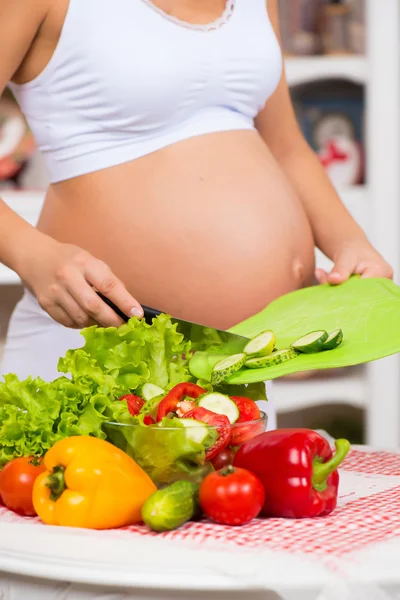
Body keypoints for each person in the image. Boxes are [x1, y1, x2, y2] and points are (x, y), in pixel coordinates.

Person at [0, 0, 392, 430]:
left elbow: (286, 146)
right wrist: (31, 255)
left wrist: (350, 242)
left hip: (241, 368)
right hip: (103, 359)